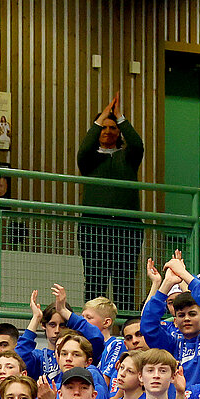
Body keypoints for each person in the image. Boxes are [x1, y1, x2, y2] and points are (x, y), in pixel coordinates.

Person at [77, 93, 144, 311]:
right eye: (103, 128)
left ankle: (125, 331)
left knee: (124, 282)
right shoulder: (90, 159)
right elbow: (84, 148)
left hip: (127, 229)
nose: (107, 131)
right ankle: (93, 330)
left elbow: (137, 144)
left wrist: (120, 118)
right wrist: (102, 117)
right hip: (94, 228)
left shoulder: (128, 157)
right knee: (95, 281)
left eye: (113, 128)